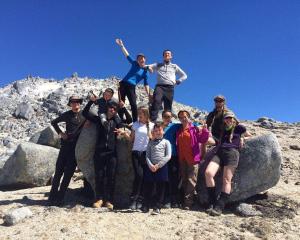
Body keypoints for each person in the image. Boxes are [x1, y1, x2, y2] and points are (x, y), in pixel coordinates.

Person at [205, 111, 252, 216]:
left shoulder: (239, 128)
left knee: (226, 180)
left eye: (231, 118)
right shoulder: (223, 130)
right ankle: (211, 202)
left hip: (232, 153)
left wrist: (243, 138)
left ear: (234, 119)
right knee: (208, 173)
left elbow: (250, 135)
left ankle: (219, 206)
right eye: (227, 118)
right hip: (219, 152)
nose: (229, 120)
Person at [82, 98, 124, 210]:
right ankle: (99, 199)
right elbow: (85, 113)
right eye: (111, 108)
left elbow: (128, 119)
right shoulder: (99, 120)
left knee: (111, 177)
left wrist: (123, 108)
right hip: (99, 152)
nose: (112, 110)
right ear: (107, 108)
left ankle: (109, 200)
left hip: (112, 153)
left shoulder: (116, 122)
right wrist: (91, 101)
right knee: (99, 176)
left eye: (115, 109)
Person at [48, 96, 86, 206]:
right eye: (73, 102)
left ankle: (60, 197)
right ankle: (52, 197)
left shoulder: (84, 114)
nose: (75, 104)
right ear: (70, 104)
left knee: (68, 174)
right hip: (65, 146)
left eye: (77, 102)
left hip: (76, 148)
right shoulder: (67, 114)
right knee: (59, 171)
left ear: (80, 103)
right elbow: (54, 122)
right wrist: (61, 133)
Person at [118, 106, 154, 210]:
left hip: (147, 154)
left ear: (146, 114)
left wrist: (150, 135)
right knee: (139, 175)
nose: (139, 115)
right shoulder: (135, 124)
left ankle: (140, 201)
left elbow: (152, 139)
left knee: (145, 177)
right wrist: (125, 134)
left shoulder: (151, 125)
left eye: (141, 113)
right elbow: (131, 139)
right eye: (138, 113)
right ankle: (134, 200)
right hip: (136, 152)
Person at [176, 110, 209, 209]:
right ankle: (184, 200)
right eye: (181, 117)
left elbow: (203, 140)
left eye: (185, 116)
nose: (183, 119)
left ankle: (188, 203)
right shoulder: (179, 130)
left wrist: (205, 131)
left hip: (192, 158)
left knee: (191, 180)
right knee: (185, 179)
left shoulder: (194, 128)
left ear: (189, 117)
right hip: (182, 158)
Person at [115, 38, 151, 122]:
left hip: (131, 86)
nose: (141, 59)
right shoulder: (134, 63)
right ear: (137, 60)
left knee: (133, 104)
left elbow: (146, 84)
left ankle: (135, 122)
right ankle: (120, 120)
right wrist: (121, 45)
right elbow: (127, 55)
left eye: (142, 58)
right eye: (139, 58)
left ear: (145, 60)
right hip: (122, 84)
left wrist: (149, 94)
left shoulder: (145, 71)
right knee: (121, 102)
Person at [148, 50, 187, 121]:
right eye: (165, 54)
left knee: (168, 107)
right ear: (163, 56)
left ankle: (167, 123)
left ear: (171, 56)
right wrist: (149, 68)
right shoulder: (158, 64)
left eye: (168, 54)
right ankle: (152, 121)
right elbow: (147, 66)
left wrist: (178, 81)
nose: (167, 55)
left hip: (170, 88)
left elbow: (184, 75)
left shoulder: (174, 66)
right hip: (159, 86)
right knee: (156, 101)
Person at [141, 122, 171, 215]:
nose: (158, 132)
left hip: (162, 167)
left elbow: (168, 156)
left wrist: (158, 165)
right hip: (151, 167)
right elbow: (147, 156)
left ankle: (157, 206)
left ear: (163, 131)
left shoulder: (166, 142)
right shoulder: (150, 143)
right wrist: (151, 165)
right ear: (153, 132)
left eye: (159, 130)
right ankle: (146, 205)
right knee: (148, 186)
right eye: (155, 131)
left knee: (160, 187)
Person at [161, 110, 181, 208]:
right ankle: (167, 199)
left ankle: (175, 199)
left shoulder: (174, 126)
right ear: (162, 117)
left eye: (169, 116)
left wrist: (199, 125)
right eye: (165, 116)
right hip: (162, 156)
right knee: (165, 178)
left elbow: (188, 124)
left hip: (173, 155)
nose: (167, 118)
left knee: (174, 178)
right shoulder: (158, 127)